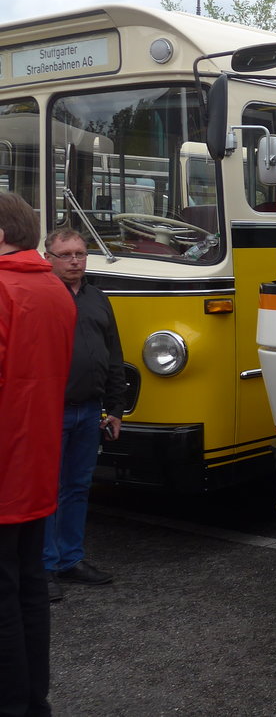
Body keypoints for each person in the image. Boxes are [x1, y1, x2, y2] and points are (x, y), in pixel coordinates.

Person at [0, 193, 75, 717]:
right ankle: (33, 701)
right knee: (29, 586)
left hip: (5, 463)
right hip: (36, 463)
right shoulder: (54, 289)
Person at [42, 229, 126, 600]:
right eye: (65, 255)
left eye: (80, 253)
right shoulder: (42, 298)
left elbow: (113, 355)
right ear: (48, 258)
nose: (74, 261)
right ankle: (43, 567)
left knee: (77, 488)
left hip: (90, 411)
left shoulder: (98, 298)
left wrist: (116, 408)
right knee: (47, 491)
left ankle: (70, 560)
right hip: (50, 411)